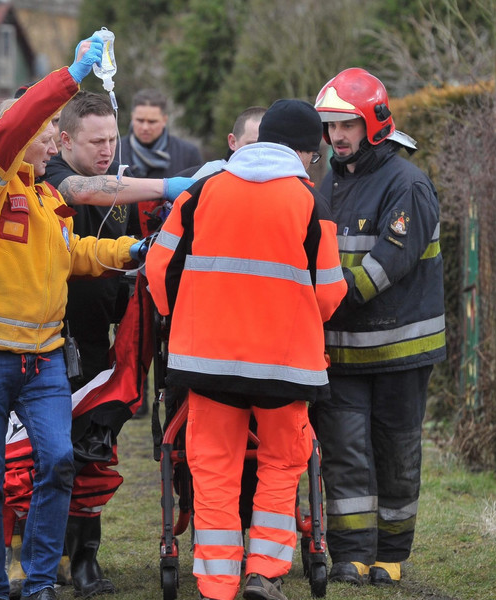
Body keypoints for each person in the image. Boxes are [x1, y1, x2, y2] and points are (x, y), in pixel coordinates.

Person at [0, 33, 144, 600]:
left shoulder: (44, 198)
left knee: (57, 462)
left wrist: (129, 251)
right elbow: (15, 123)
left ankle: (37, 584)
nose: (55, 136)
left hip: (43, 360)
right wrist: (71, 74)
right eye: (48, 128)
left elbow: (72, 253)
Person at [145, 99, 348, 600]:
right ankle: (264, 573)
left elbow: (157, 269)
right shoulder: (309, 203)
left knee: (213, 466)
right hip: (286, 366)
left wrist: (182, 319)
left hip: (205, 362)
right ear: (306, 152)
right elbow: (328, 292)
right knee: (282, 462)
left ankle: (217, 584)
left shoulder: (203, 192)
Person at [37, 89, 191, 596]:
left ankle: (85, 554)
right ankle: (49, 552)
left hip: (101, 341)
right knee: (54, 451)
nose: (108, 149)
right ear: (64, 140)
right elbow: (91, 189)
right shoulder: (54, 179)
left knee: (96, 448)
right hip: (51, 340)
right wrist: (168, 183)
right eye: (95, 140)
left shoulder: (117, 177)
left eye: (112, 139)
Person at [310, 67, 446, 586]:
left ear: (373, 124)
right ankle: (350, 555)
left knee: (395, 455)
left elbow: (383, 268)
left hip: (398, 353)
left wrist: (314, 303)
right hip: (341, 354)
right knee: (343, 456)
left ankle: (390, 554)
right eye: (330, 127)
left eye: (346, 125)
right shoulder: (330, 183)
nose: (337, 137)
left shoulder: (407, 185)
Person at [107, 89, 203, 236]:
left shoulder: (187, 153)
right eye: (140, 120)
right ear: (132, 117)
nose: (145, 127)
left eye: (152, 122)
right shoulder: (114, 151)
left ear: (164, 120)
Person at [178, 106, 266, 179]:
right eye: (251, 145)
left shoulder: (278, 179)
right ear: (232, 142)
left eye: (268, 146)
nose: (259, 153)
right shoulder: (208, 175)